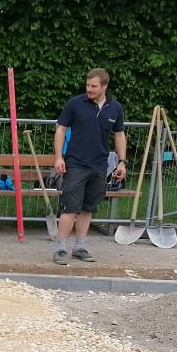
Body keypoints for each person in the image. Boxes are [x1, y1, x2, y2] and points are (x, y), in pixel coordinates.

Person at [51, 68, 128, 265]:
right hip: (76, 163)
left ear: (104, 86)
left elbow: (119, 135)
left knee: (88, 208)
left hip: (100, 165)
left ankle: (80, 247)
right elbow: (61, 129)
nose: (89, 89)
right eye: (87, 85)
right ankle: (60, 248)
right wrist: (59, 157)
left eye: (93, 86)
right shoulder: (75, 103)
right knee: (71, 207)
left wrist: (122, 161)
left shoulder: (115, 108)